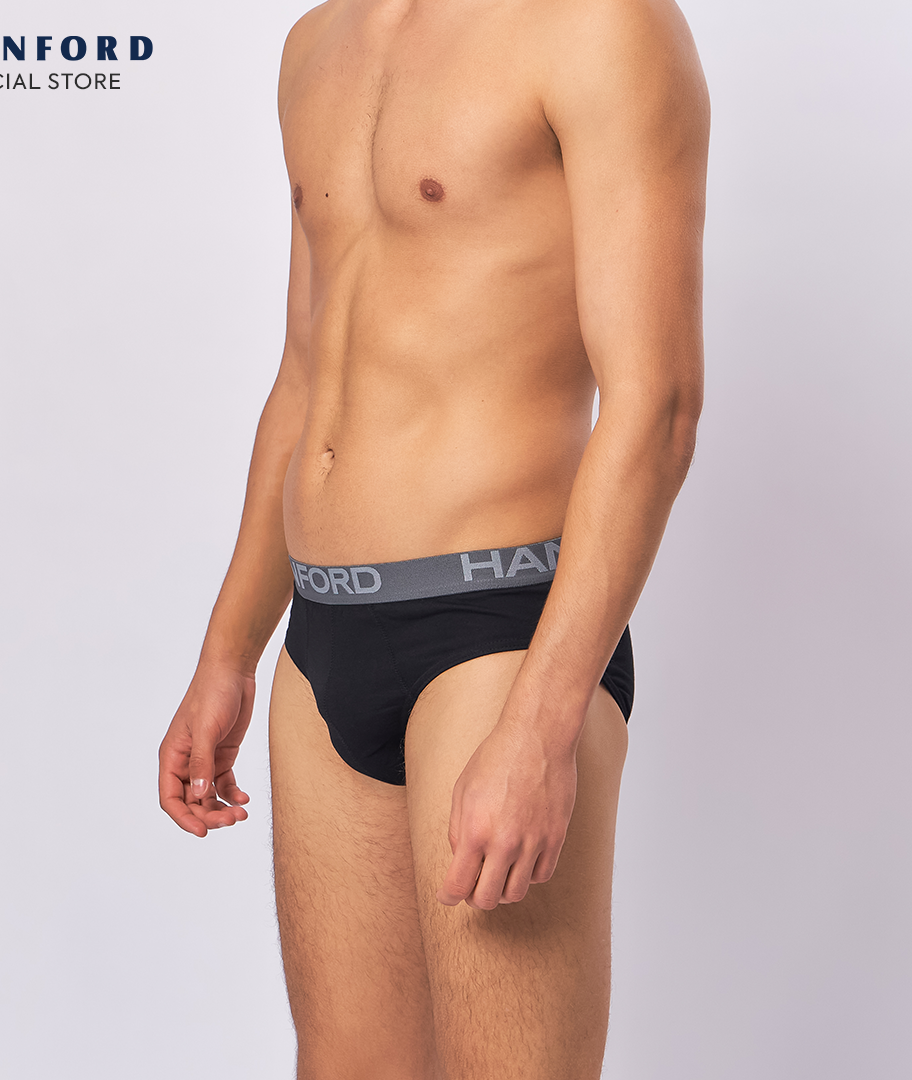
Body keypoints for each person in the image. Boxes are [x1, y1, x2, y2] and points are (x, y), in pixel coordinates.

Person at [158, 0, 708, 1074]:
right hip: (322, 635)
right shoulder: (315, 45)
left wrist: (541, 726)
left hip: (496, 640)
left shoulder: (599, 26)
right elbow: (305, 374)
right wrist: (228, 652)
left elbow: (658, 404)